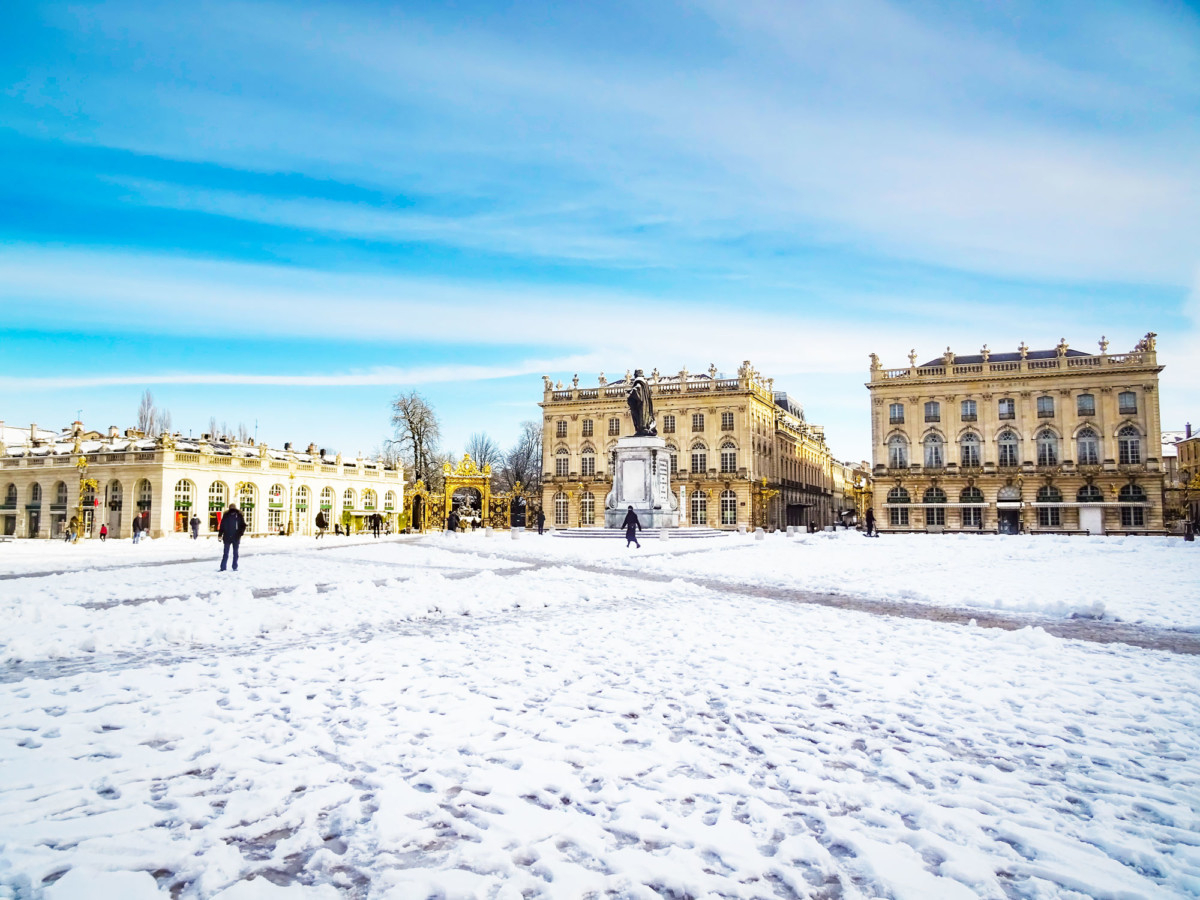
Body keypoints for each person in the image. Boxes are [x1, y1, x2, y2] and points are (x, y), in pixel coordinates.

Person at [218, 502, 247, 571]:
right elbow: (222, 525)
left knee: (232, 553)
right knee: (229, 553)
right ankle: (226, 567)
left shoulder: (238, 515)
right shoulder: (228, 515)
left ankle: (231, 567)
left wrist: (240, 533)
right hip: (230, 536)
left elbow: (243, 525)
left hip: (233, 536)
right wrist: (220, 534)